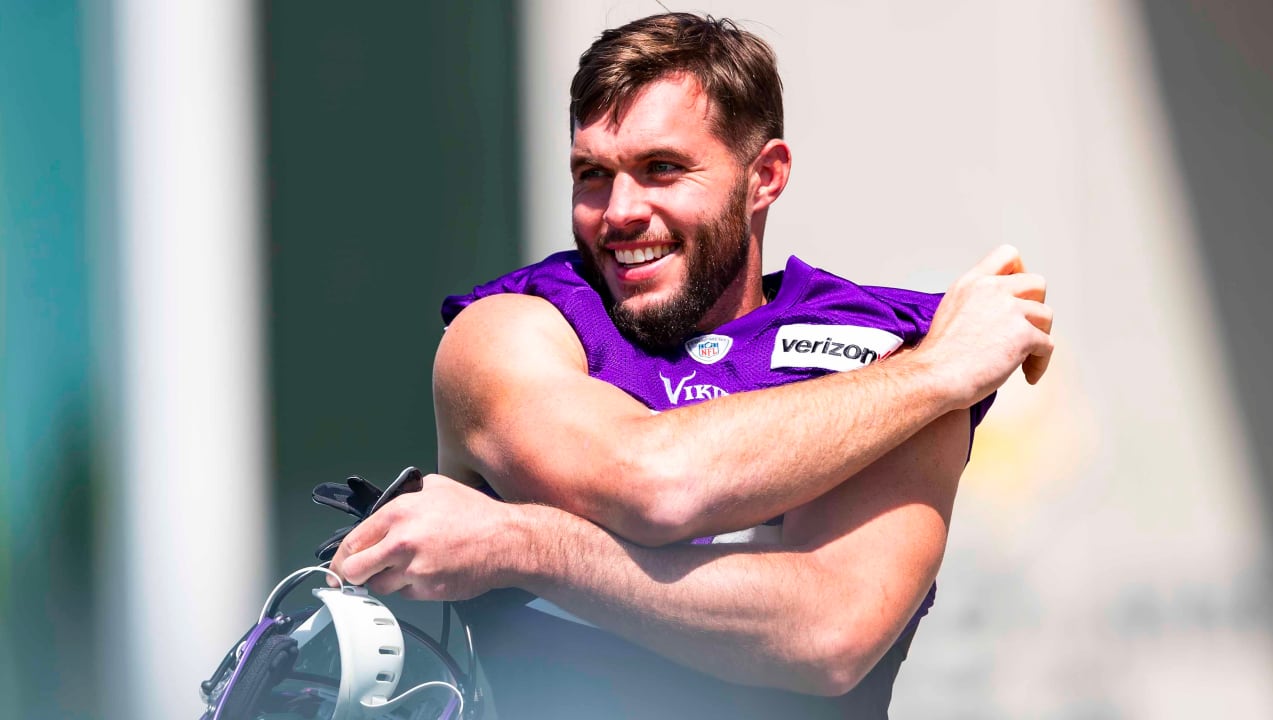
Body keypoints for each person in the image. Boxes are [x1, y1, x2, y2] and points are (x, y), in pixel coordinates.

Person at [329, 12, 1053, 719]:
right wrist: (932, 376)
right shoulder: (510, 328)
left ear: (764, 175)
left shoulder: (887, 348)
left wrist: (519, 543)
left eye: (662, 169)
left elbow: (830, 635)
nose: (618, 212)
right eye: (591, 174)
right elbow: (650, 485)